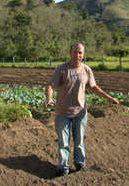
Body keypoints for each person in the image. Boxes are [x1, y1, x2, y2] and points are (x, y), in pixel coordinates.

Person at [44, 42, 119, 176]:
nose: (77, 55)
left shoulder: (86, 70)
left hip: (80, 112)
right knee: (63, 142)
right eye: (75, 52)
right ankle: (63, 167)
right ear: (70, 53)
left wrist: (107, 97)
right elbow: (51, 85)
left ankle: (79, 164)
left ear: (83, 55)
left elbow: (94, 87)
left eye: (80, 53)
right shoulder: (62, 69)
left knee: (79, 142)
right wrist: (48, 97)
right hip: (63, 113)